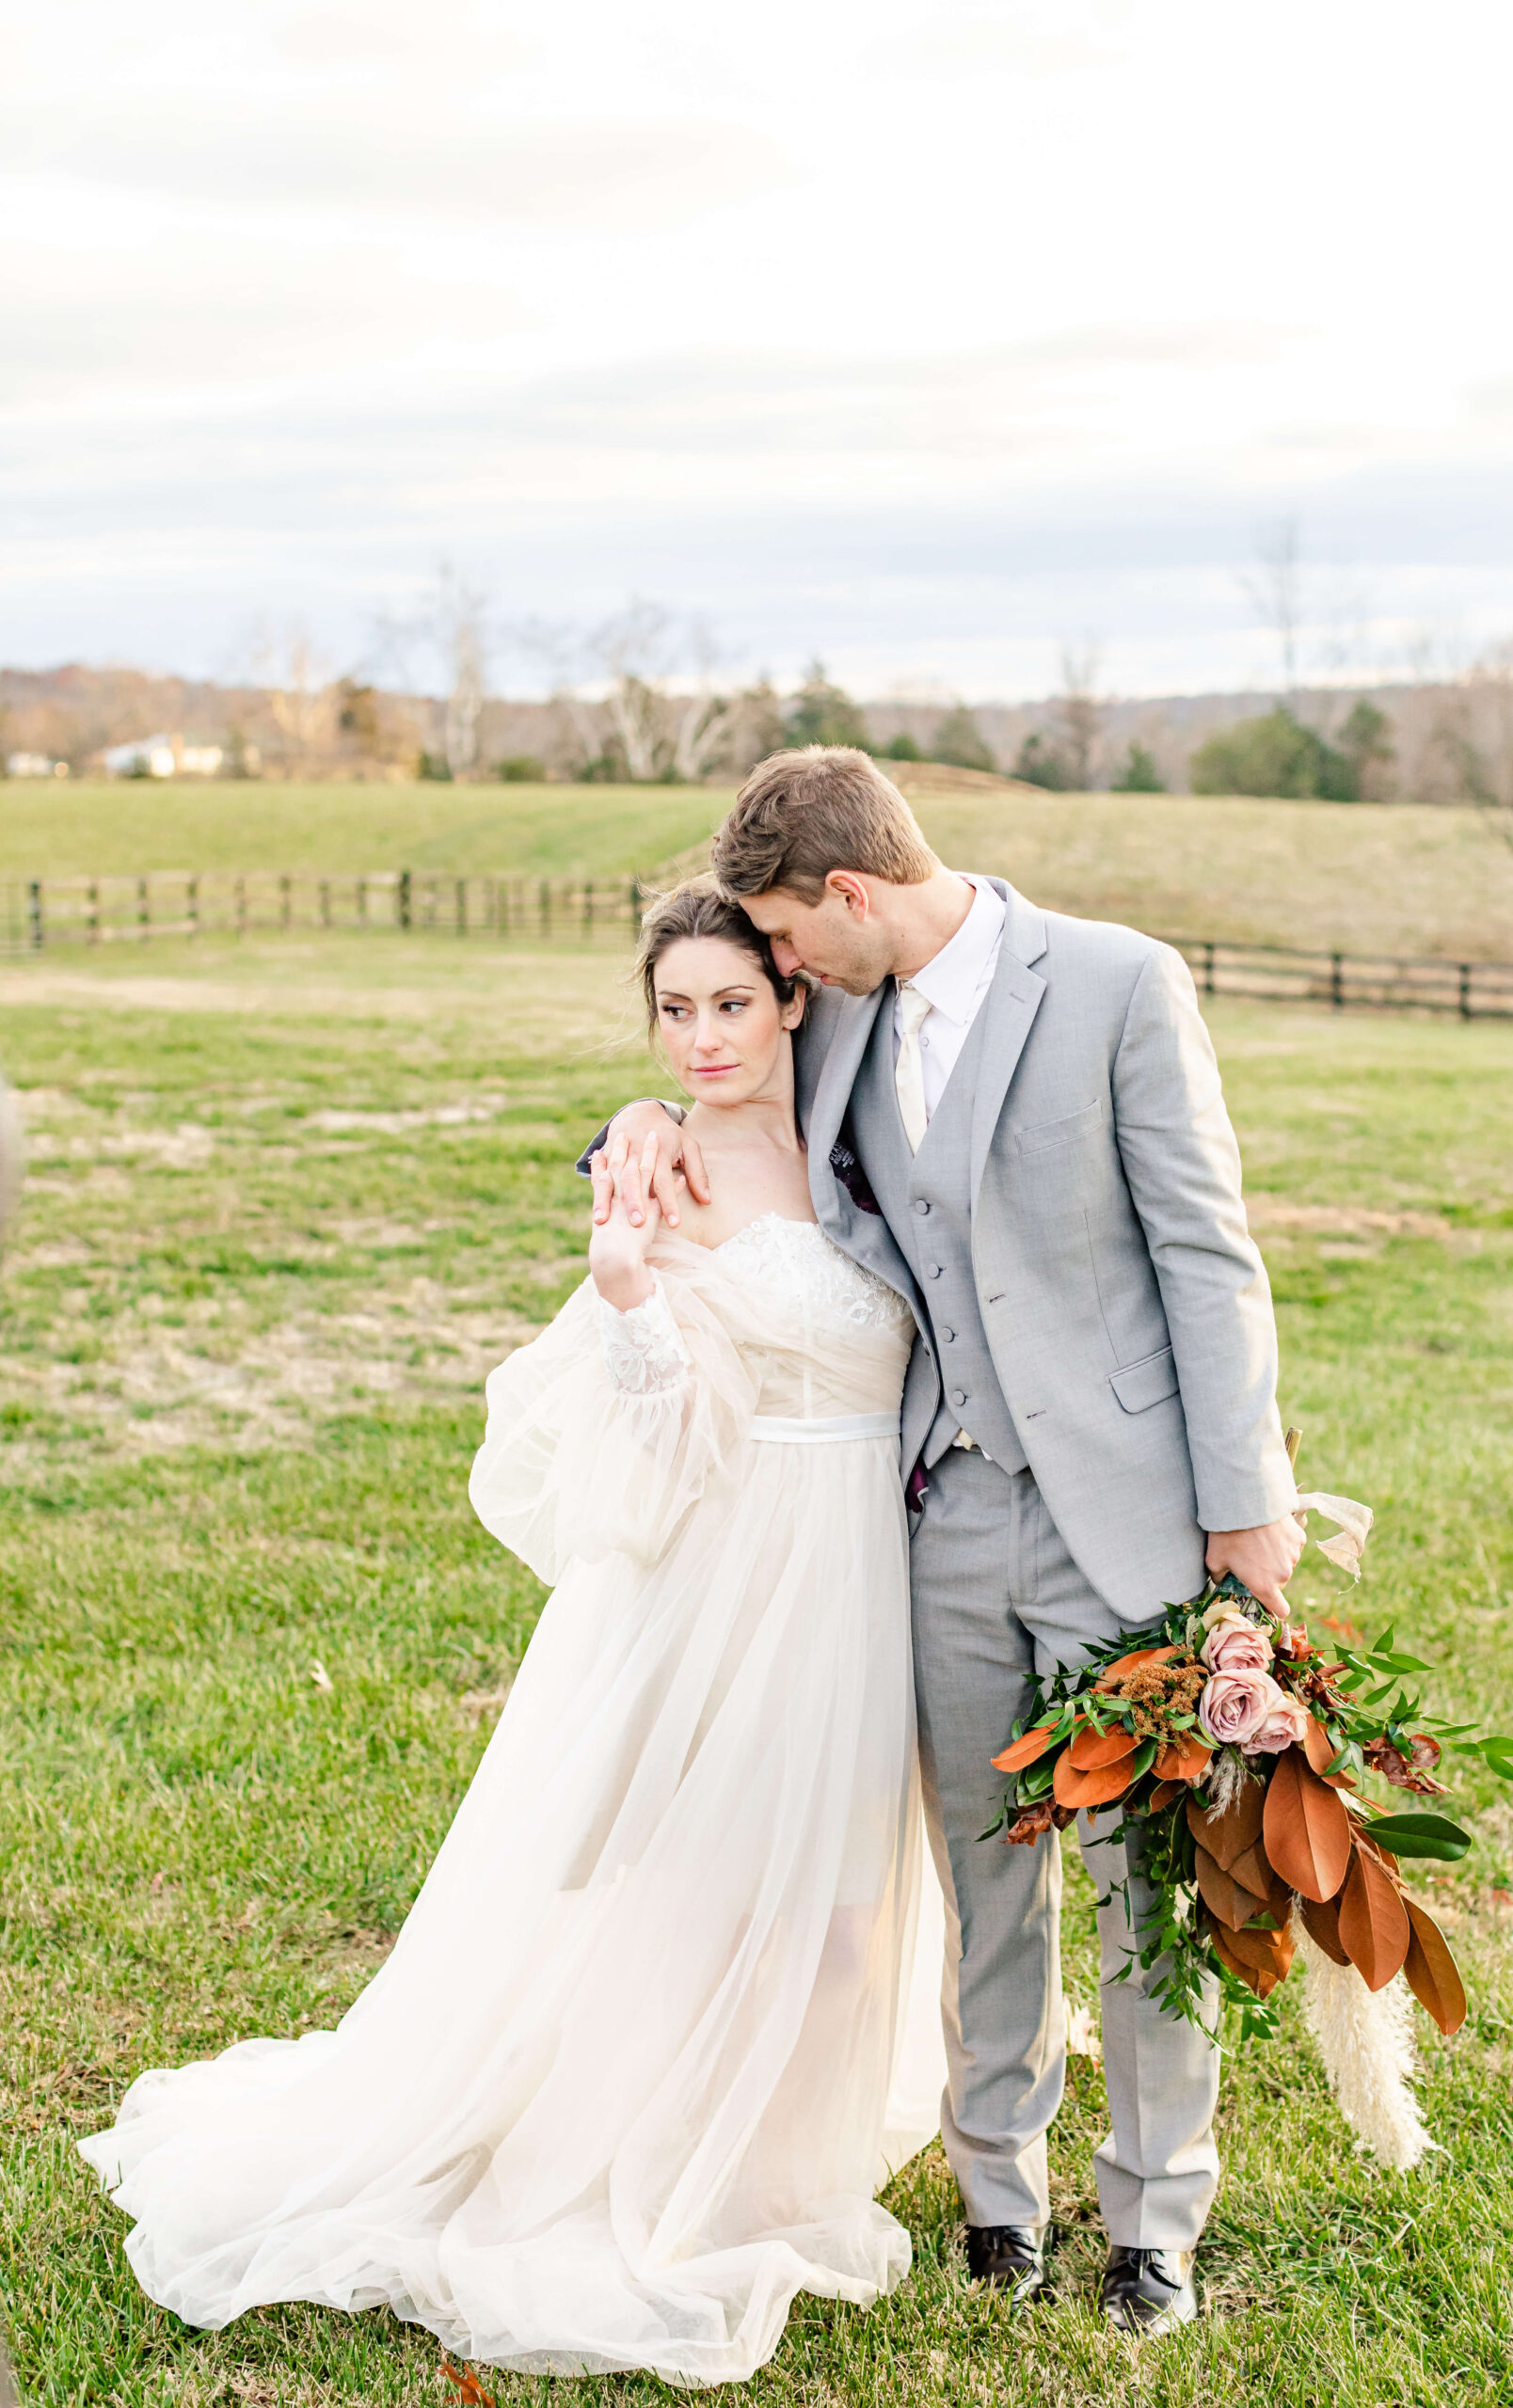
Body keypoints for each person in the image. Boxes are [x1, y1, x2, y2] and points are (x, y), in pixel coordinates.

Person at [80, 880, 945, 2388]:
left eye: (730, 1003)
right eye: (672, 1011)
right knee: (697, 1882)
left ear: (794, 997)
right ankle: (656, 2162)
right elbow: (656, 1443)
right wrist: (624, 1300)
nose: (701, 1041)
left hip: (874, 1561)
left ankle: (779, 2154)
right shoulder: (657, 1177)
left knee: (849, 1902)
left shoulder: (872, 1135)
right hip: (741, 1569)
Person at [586, 747, 1307, 2337]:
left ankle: (1153, 2221)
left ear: (850, 894)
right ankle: (1002, 2196)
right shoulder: (834, 1010)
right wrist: (639, 1117)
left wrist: (1244, 1504)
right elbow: (729, 1087)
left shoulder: (1120, 984)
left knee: (1145, 1887)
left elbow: (1208, 1249)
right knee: (987, 1874)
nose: (780, 971)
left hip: (1125, 1513)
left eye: (789, 941)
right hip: (937, 1511)